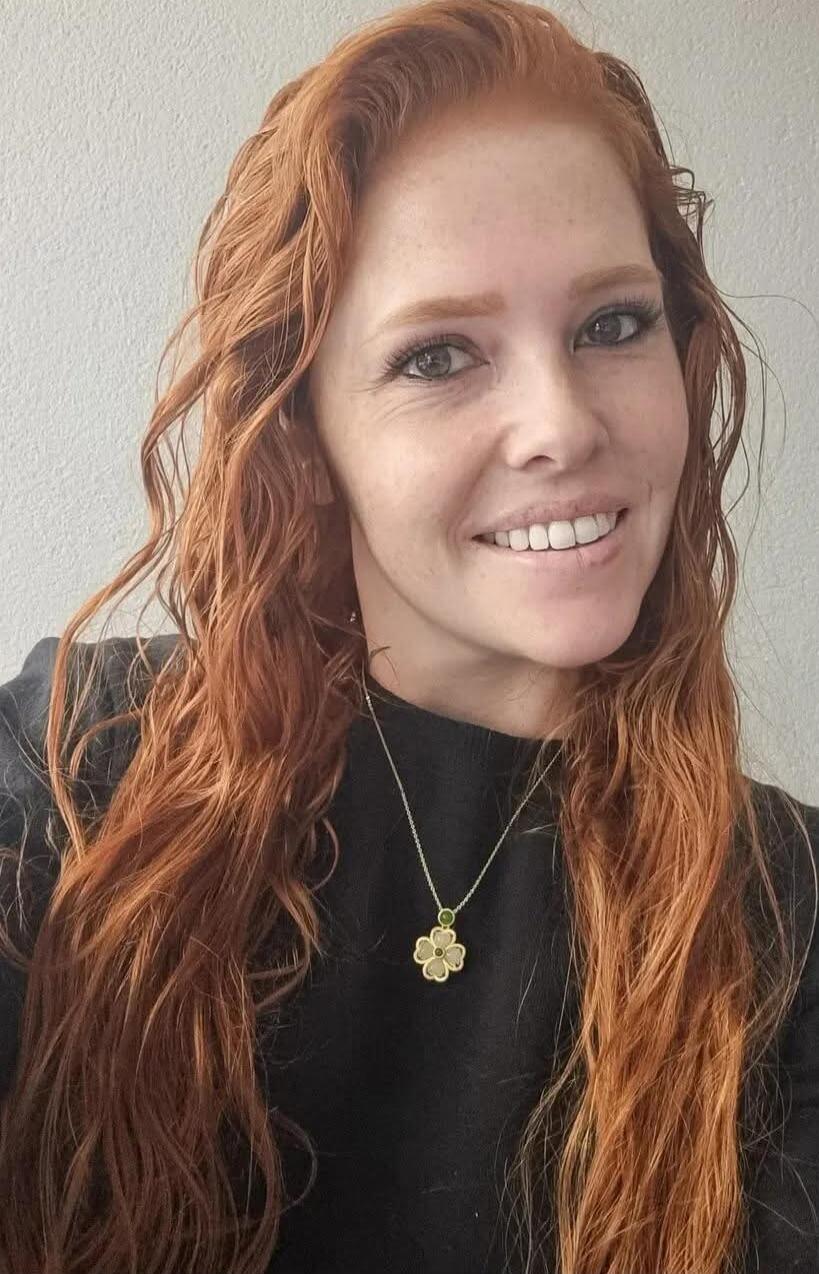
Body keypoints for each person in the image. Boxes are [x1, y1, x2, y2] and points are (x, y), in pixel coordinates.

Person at [1, 1, 816, 1272]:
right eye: (440, 354)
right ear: (304, 432)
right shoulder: (75, 774)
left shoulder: (787, 909)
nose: (559, 424)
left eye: (612, 323)